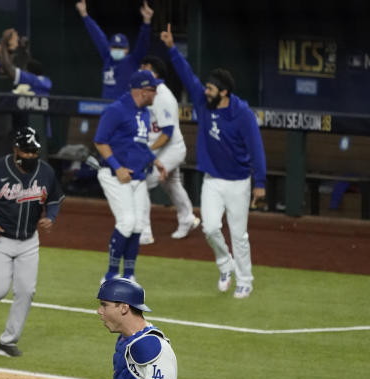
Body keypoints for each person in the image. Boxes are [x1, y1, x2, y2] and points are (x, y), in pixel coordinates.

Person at [162, 24, 266, 299]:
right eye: (206, 87)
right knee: (209, 227)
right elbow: (187, 76)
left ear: (223, 92)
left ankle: (245, 279)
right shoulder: (203, 104)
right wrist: (172, 49)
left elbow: (256, 148)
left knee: (239, 234)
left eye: (210, 88)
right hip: (212, 180)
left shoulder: (242, 114)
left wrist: (260, 183)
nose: (205, 90)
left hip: (239, 182)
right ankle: (224, 264)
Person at [0, 127, 65, 357]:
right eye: (26, 150)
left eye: (34, 151)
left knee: (26, 291)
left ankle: (7, 341)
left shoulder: (46, 172)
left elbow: (55, 199)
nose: (30, 155)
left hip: (29, 240)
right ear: (16, 149)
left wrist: (50, 217)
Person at [93, 70, 165, 284]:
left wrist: (154, 160)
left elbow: (139, 143)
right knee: (126, 222)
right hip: (114, 175)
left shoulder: (143, 112)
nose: (156, 94)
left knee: (138, 226)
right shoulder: (116, 110)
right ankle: (111, 275)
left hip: (138, 176)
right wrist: (117, 167)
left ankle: (129, 275)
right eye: (154, 90)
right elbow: (100, 141)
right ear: (144, 91)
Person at [139, 55, 199, 243]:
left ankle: (144, 232)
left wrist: (148, 151)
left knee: (142, 183)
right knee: (172, 184)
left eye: (145, 67)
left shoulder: (163, 96)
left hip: (171, 147)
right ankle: (187, 218)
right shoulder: (147, 92)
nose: (141, 70)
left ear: (154, 73)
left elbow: (167, 132)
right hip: (162, 148)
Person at [76, 0, 153, 99]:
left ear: (127, 49)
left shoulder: (132, 61)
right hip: (106, 106)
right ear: (110, 47)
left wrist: (146, 22)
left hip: (124, 108)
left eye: (121, 47)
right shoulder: (108, 57)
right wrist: (85, 15)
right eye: (115, 47)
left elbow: (143, 44)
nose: (117, 49)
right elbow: (98, 36)